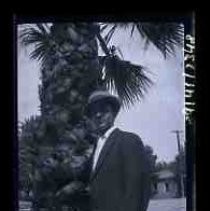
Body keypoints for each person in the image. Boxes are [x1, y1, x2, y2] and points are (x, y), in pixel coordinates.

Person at [85, 90, 151, 211]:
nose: (98, 115)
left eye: (104, 110)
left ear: (113, 113)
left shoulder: (128, 141)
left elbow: (136, 190)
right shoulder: (94, 148)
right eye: (94, 112)